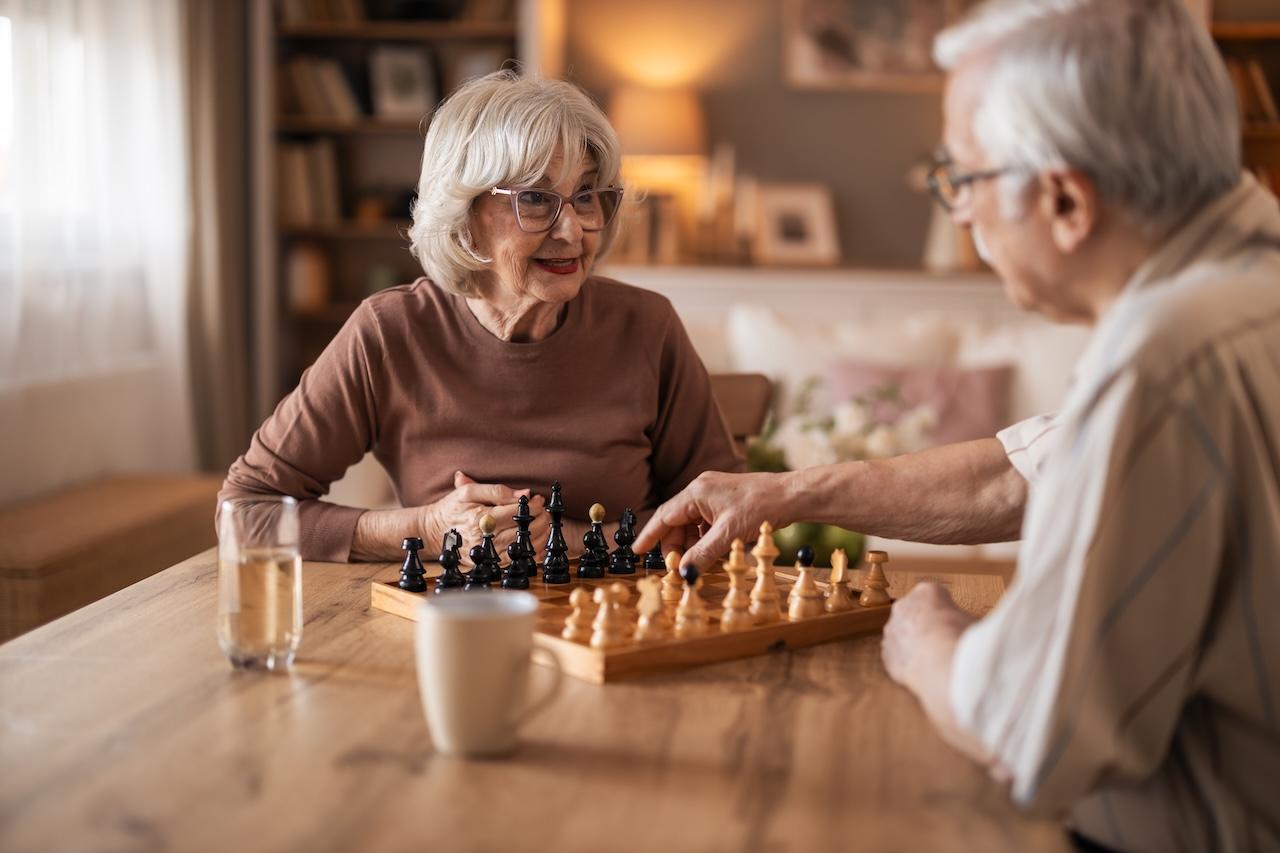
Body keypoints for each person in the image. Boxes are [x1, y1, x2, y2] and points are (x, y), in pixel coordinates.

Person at [635, 1, 1280, 849]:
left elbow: (1034, 733)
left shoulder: (1164, 360)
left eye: (962, 178)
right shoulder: (1241, 285)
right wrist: (781, 492)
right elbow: (1021, 474)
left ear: (1064, 199)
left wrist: (928, 637)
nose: (961, 213)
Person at [219, 71, 742, 562]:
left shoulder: (646, 326)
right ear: (463, 213)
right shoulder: (390, 331)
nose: (572, 230)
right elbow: (244, 512)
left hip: (619, 614)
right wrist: (427, 528)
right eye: (535, 199)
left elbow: (722, 517)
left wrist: (565, 539)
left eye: (585, 195)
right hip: (446, 615)